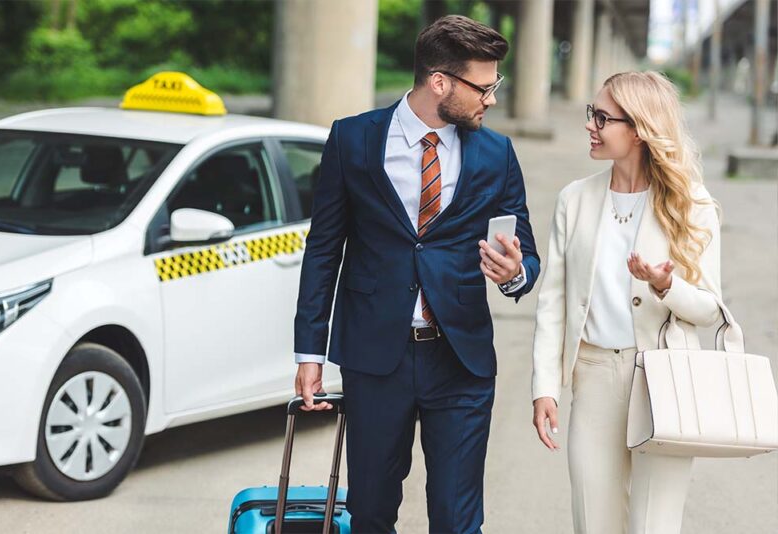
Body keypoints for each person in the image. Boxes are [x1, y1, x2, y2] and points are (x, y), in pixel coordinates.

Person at [293, 15, 540, 534]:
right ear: (439, 81)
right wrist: (310, 351)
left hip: (461, 361)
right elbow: (323, 251)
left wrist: (515, 273)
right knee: (372, 513)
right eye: (484, 86)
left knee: (456, 519)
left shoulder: (496, 154)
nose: (491, 99)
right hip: (376, 359)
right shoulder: (352, 139)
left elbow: (529, 257)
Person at [531, 71, 722, 534]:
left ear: (638, 129)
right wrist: (545, 387)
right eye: (591, 114)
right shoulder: (574, 199)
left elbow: (709, 309)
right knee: (593, 522)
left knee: (654, 524)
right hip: (594, 376)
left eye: (602, 117)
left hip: (665, 377)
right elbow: (553, 301)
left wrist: (665, 286)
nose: (590, 125)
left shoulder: (689, 204)